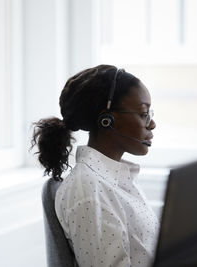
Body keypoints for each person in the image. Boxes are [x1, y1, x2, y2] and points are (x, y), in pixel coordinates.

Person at [32, 65, 159, 267]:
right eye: (144, 113)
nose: (152, 124)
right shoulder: (87, 191)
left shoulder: (116, 179)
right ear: (107, 120)